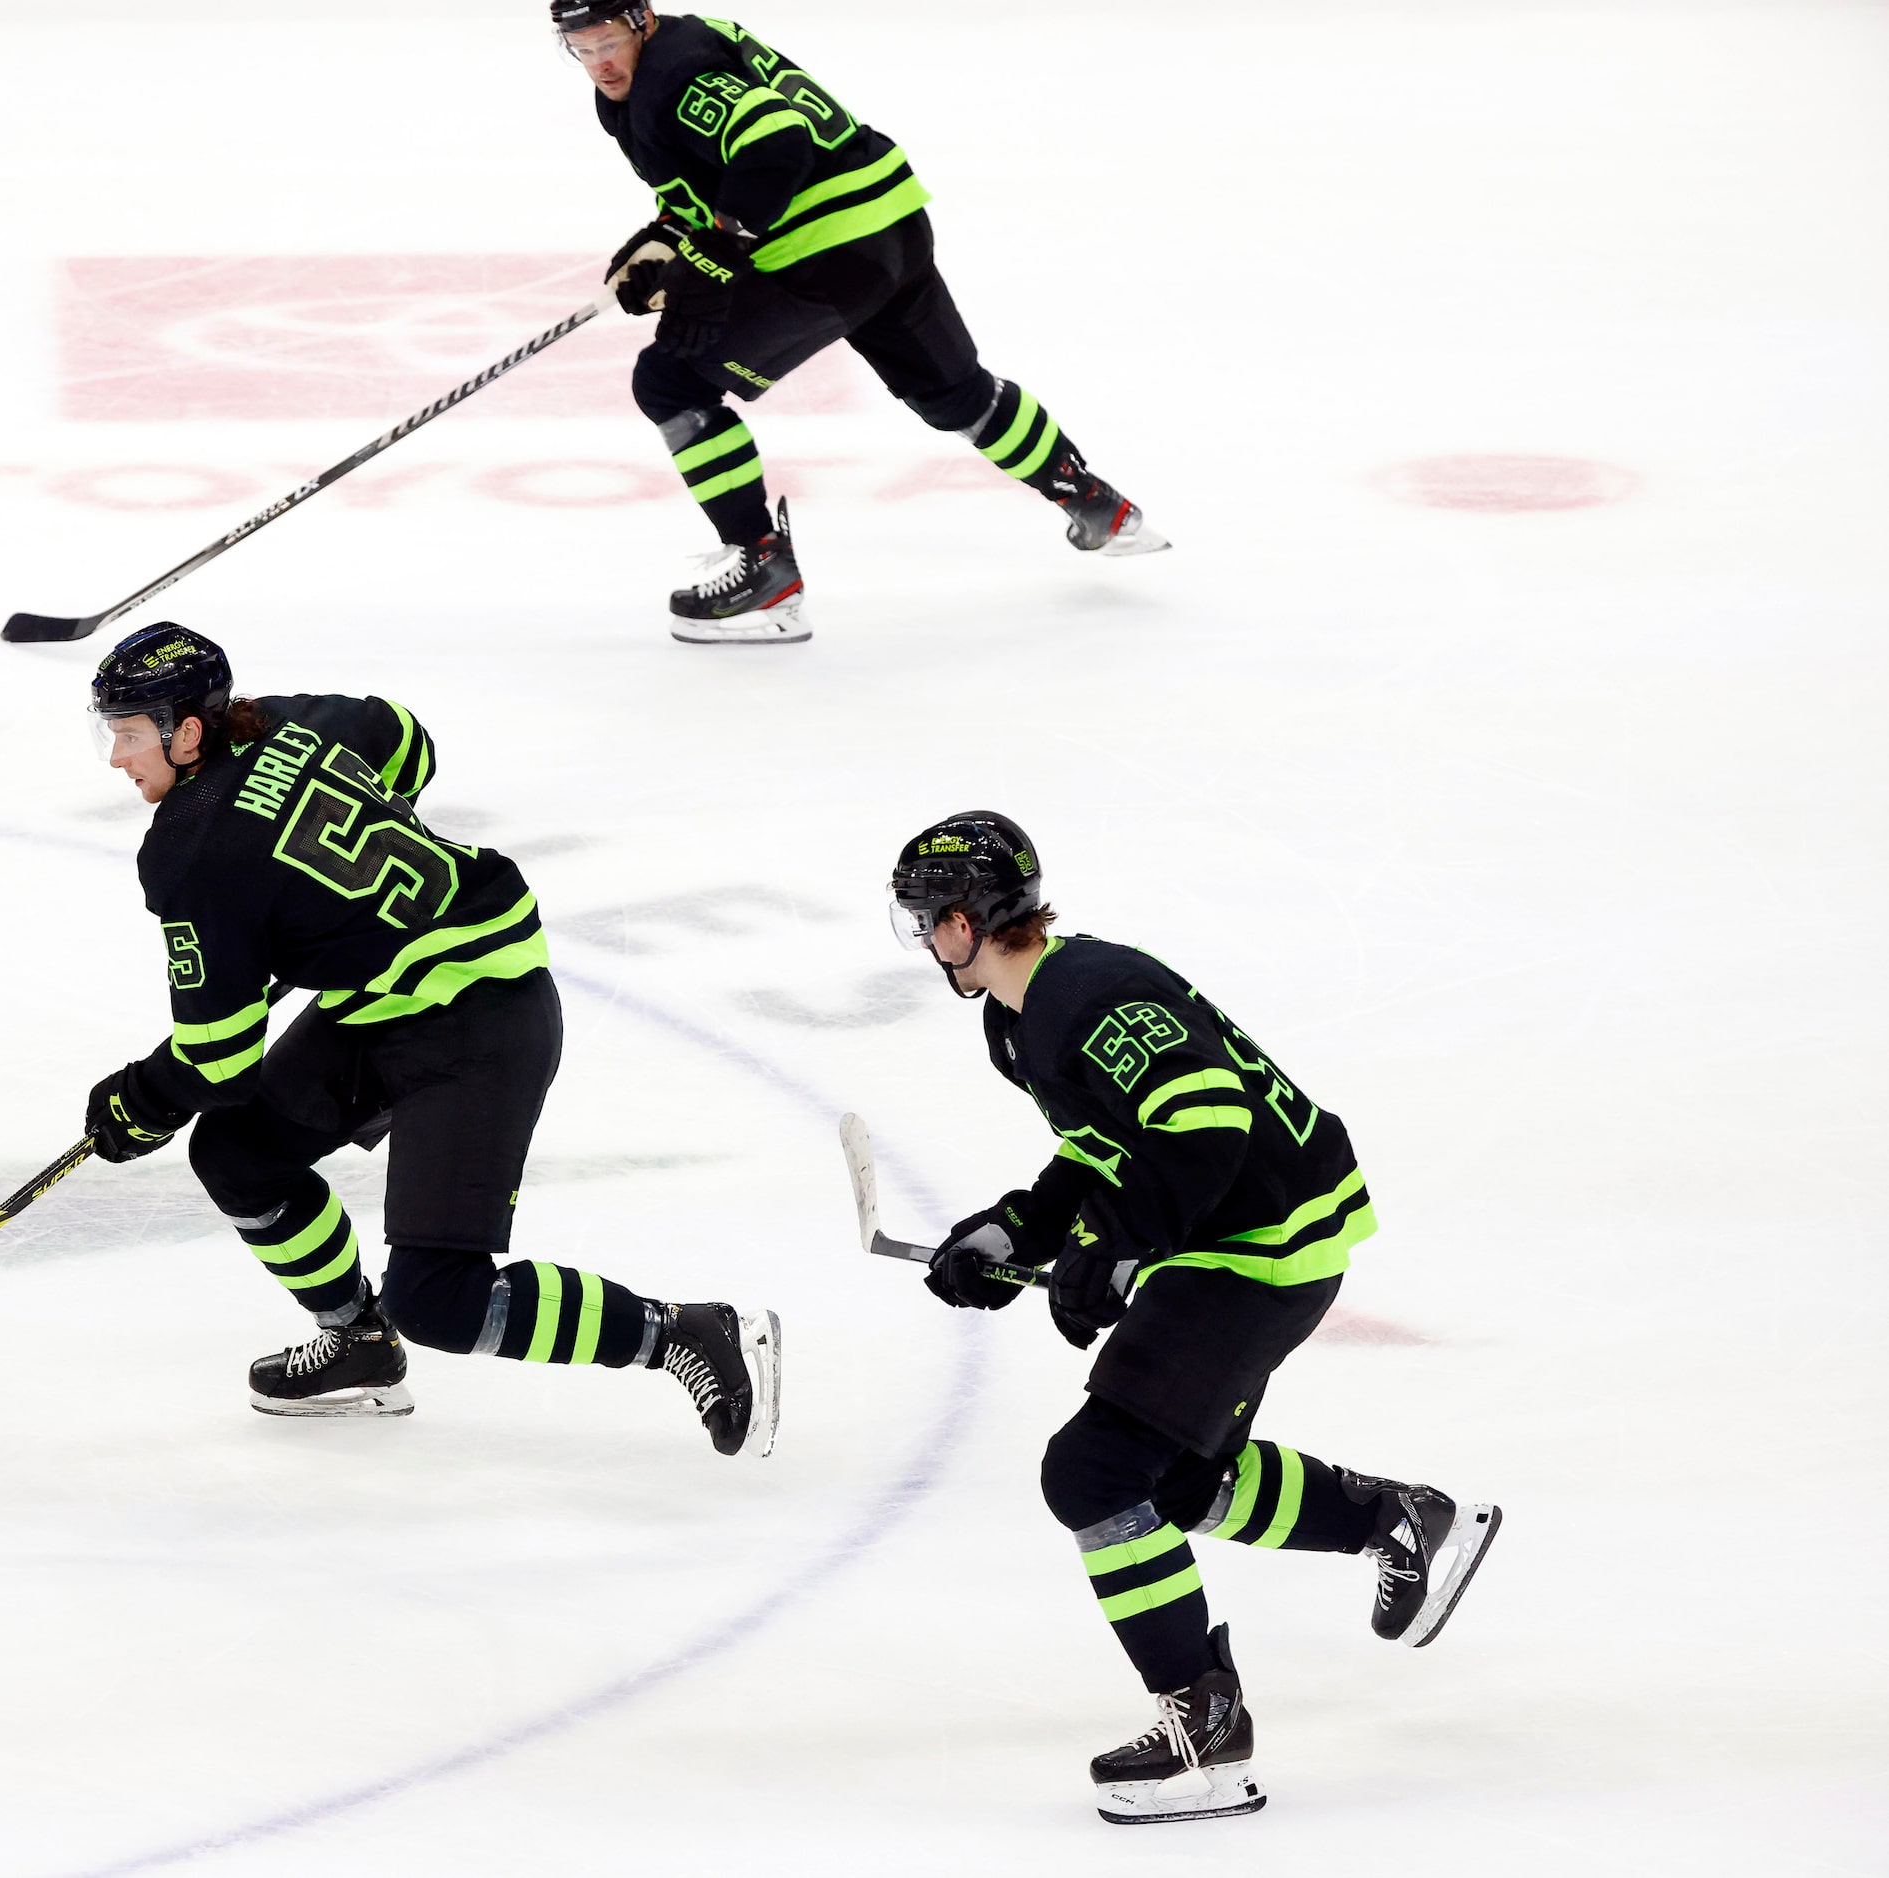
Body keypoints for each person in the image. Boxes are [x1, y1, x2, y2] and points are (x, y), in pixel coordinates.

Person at [887, 811, 1500, 1824]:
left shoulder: (1090, 993)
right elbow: (1105, 1144)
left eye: (927, 922)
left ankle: (1207, 1736)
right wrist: (1021, 1231)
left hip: (1261, 1245)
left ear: (967, 920)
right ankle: (1403, 1523)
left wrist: (1112, 1248)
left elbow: (1206, 1128)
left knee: (1093, 1472)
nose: (922, 943)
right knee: (1173, 1479)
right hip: (1236, 1237)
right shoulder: (1018, 1016)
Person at [78, 621, 781, 1454]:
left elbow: (219, 1060)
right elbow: (407, 742)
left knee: (442, 1299)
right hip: (394, 997)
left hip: (478, 1019)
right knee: (238, 1155)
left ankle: (689, 1332)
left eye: (126, 736)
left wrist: (137, 1102)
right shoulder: (287, 722)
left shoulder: (192, 854)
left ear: (187, 732)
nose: (117, 758)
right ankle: (359, 1344)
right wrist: (334, 904)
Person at [555, 0, 1168, 646]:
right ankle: (1095, 500)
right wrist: (672, 241)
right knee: (954, 392)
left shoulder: (674, 77)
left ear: (642, 21)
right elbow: (716, 172)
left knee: (670, 383)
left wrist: (724, 244)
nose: (599, 61)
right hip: (891, 222)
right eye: (580, 46)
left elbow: (774, 141)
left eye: (609, 40)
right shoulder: (689, 45)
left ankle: (763, 571)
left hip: (826, 252)